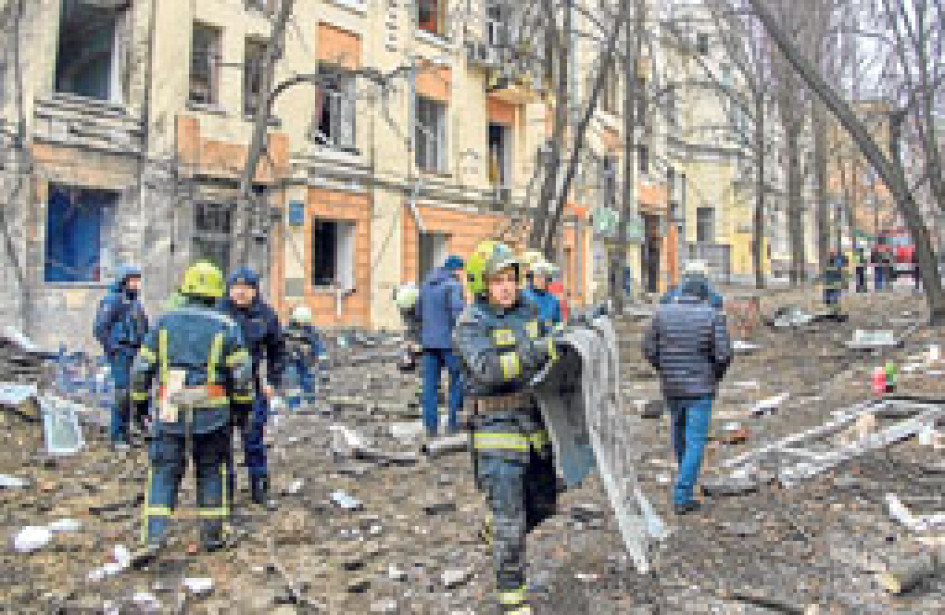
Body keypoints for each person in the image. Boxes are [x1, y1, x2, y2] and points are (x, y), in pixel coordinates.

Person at [454, 240, 559, 614]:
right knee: (511, 522)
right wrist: (539, 350)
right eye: (498, 280)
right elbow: (490, 371)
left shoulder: (529, 310)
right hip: (495, 428)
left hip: (533, 423)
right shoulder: (471, 323)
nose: (507, 286)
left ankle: (496, 528)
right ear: (483, 284)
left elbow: (551, 341)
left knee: (545, 502)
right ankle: (513, 601)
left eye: (511, 278)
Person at [130, 261, 254, 551]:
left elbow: (141, 369)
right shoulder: (227, 326)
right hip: (212, 413)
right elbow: (242, 375)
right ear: (216, 293)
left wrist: (138, 405)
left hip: (170, 409)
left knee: (163, 471)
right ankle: (213, 536)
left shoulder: (163, 322)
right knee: (211, 469)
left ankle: (153, 538)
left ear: (185, 289)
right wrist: (242, 409)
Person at [644, 275, 732, 515]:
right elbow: (724, 354)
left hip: (672, 388)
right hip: (700, 389)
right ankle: (682, 494)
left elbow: (649, 349)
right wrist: (714, 376)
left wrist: (665, 369)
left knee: (679, 435)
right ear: (703, 295)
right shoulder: (711, 315)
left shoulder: (662, 314)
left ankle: (686, 481)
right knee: (695, 442)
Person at [217, 267, 285, 507]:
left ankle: (260, 490)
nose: (241, 292)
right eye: (236, 287)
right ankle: (225, 494)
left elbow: (278, 350)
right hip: (221, 388)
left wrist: (273, 382)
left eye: (246, 288)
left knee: (254, 439)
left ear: (255, 290)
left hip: (252, 387)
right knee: (221, 442)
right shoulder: (218, 313)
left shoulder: (265, 315)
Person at [94, 265, 149, 450]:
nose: (135, 284)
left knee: (133, 394)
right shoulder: (113, 301)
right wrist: (113, 349)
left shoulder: (135, 304)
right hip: (121, 353)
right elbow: (100, 328)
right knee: (122, 394)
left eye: (137, 280)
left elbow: (145, 329)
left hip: (134, 353)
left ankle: (127, 434)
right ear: (123, 281)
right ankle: (117, 436)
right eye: (132, 280)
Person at [415, 255, 466, 437]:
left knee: (430, 386)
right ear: (456, 269)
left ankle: (430, 427)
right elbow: (457, 315)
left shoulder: (425, 285)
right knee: (457, 380)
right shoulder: (453, 286)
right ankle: (452, 423)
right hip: (450, 344)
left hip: (428, 343)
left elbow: (418, 313)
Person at [283, 305, 326, 408]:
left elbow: (318, 345)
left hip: (306, 361)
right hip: (291, 362)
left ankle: (310, 404)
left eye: (305, 323)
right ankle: (294, 407)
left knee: (308, 381)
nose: (303, 325)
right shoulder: (286, 331)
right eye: (301, 322)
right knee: (293, 384)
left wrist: (322, 357)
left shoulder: (310, 330)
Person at [522, 260, 562, 327]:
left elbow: (557, 324)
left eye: (544, 276)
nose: (541, 279)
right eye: (538, 276)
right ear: (532, 278)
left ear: (548, 279)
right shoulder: (522, 296)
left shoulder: (554, 300)